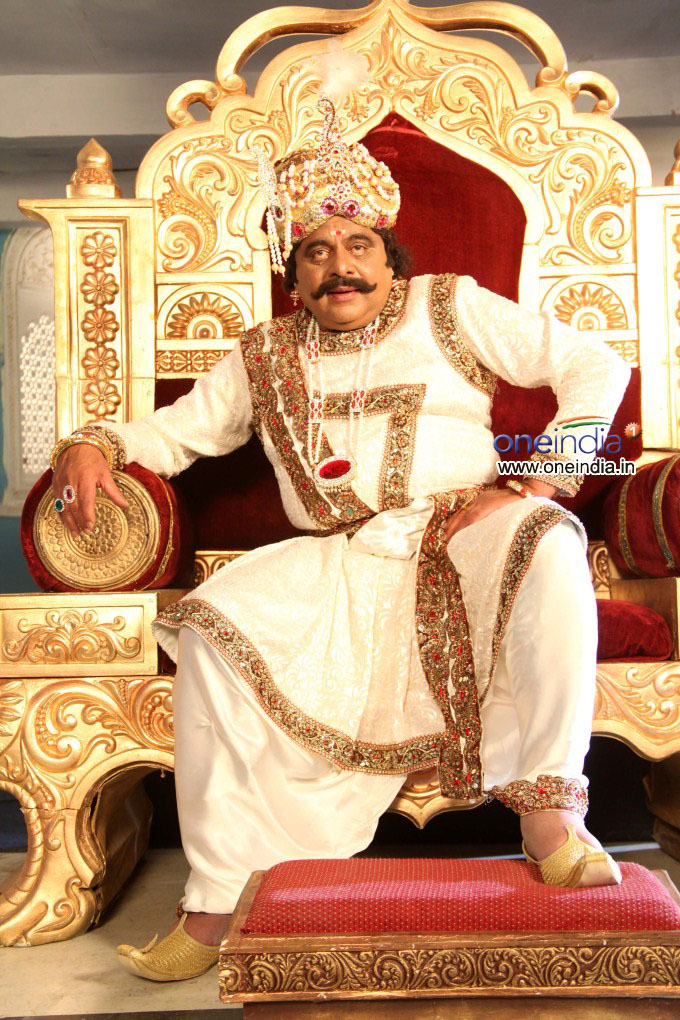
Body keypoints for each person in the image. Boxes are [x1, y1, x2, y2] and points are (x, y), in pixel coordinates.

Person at [50, 85, 630, 982]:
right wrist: (95, 445)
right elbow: (176, 434)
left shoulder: (449, 306)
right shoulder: (264, 354)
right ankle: (215, 900)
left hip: (463, 533)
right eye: (316, 252)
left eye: (359, 245)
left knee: (547, 537)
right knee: (210, 628)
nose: (339, 266)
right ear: (294, 273)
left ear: (390, 259)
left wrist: (543, 476)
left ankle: (552, 815)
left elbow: (594, 363)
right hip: (341, 558)